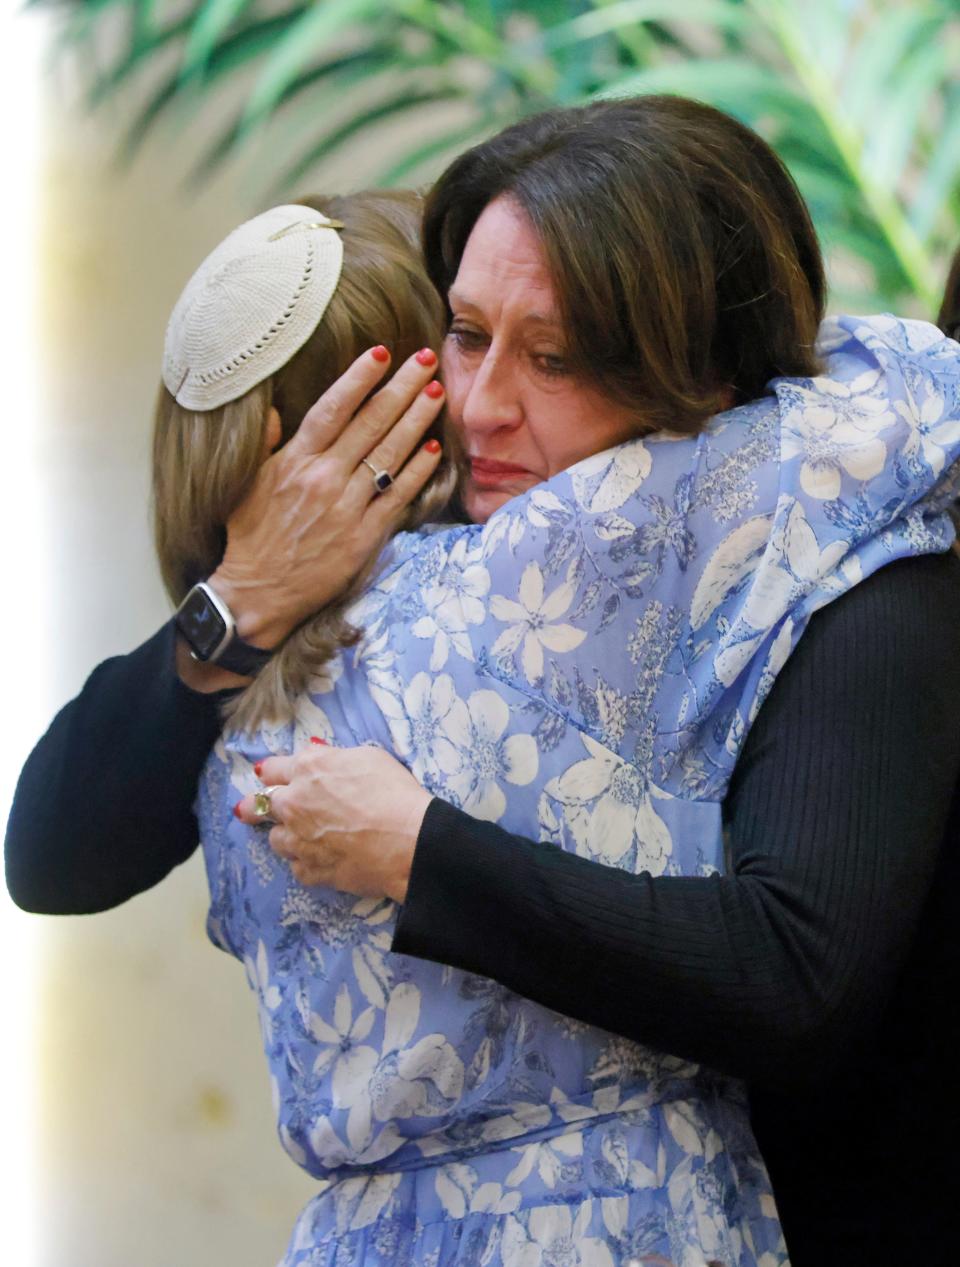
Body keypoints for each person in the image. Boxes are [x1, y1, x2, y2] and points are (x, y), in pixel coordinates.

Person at [6, 96, 960, 1265]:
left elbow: (799, 975)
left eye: (552, 356)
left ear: (701, 379)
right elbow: (52, 854)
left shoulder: (826, 548)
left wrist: (422, 851)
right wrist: (244, 595)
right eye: (464, 335)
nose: (481, 404)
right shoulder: (399, 552)